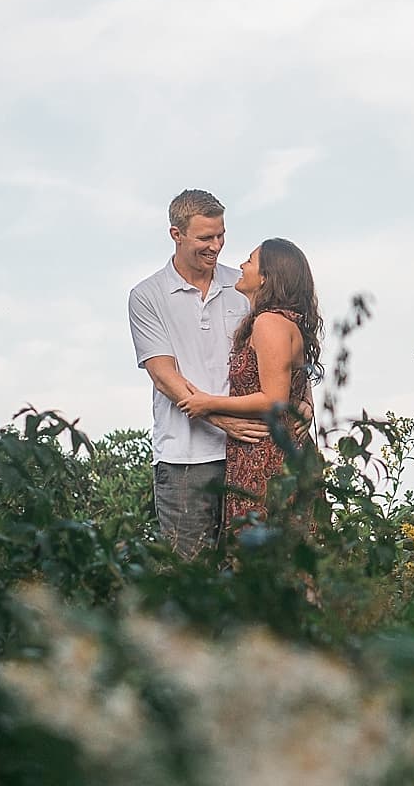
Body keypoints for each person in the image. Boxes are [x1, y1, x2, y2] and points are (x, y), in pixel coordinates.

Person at [126, 190, 270, 559]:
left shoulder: (243, 286)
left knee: (250, 570)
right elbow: (164, 376)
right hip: (183, 459)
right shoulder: (147, 295)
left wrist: (301, 402)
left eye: (221, 235)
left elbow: (281, 350)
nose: (217, 246)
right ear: (176, 234)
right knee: (187, 572)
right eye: (206, 237)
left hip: (249, 451)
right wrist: (226, 422)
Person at [175, 237, 322, 533]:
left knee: (267, 556)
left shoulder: (269, 323)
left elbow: (274, 399)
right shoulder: (276, 321)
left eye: (250, 261)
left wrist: (209, 403)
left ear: (267, 277)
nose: (242, 265)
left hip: (268, 458)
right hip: (263, 453)